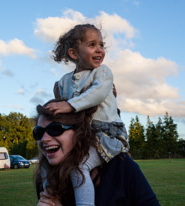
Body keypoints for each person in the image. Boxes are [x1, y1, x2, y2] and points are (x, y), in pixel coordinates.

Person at [46, 24, 129, 206]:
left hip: (106, 134)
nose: (99, 49)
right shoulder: (64, 82)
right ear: (74, 54)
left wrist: (69, 104)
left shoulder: (103, 72)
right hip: (81, 136)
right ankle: (50, 197)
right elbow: (61, 111)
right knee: (51, 164)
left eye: (101, 45)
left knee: (80, 167)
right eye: (92, 45)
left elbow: (97, 93)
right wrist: (58, 97)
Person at [34, 100, 160, 206]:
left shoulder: (120, 167)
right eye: (38, 132)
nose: (44, 139)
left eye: (55, 129)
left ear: (79, 132)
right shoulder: (45, 180)